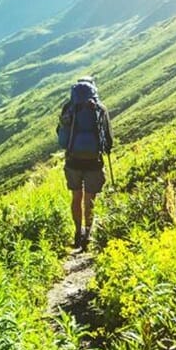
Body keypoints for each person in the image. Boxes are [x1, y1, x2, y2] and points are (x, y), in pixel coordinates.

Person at [57, 76, 113, 249]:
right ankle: (88, 233)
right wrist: (107, 149)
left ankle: (77, 232)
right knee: (90, 199)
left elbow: (60, 134)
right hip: (93, 161)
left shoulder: (69, 107)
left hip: (73, 160)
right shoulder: (100, 108)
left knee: (76, 197)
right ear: (94, 89)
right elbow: (108, 137)